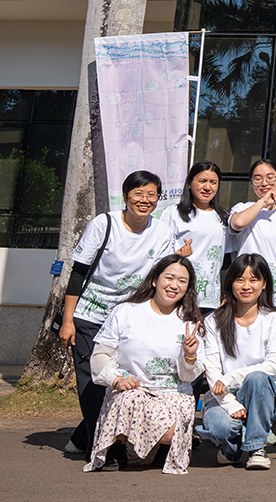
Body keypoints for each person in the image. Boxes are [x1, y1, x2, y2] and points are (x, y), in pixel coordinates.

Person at [61, 170, 181, 454]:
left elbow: (161, 276)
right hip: (91, 315)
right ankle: (102, 447)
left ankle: (82, 438)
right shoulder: (104, 224)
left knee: (124, 378)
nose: (144, 200)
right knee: (94, 380)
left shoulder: (162, 231)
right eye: (138, 194)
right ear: (126, 196)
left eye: (151, 194)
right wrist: (68, 320)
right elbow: (78, 273)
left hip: (128, 318)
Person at [83, 254, 204, 474]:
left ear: (188, 288)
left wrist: (189, 356)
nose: (174, 285)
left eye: (182, 281)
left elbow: (189, 376)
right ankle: (120, 446)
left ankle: (153, 448)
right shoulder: (125, 311)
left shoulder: (190, 322)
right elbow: (100, 354)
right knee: (132, 399)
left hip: (172, 395)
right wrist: (116, 380)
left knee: (170, 433)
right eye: (169, 278)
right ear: (155, 280)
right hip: (130, 391)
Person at [201, 253, 276, 470]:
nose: (246, 286)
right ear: (230, 283)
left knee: (258, 377)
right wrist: (230, 403)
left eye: (254, 279)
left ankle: (257, 448)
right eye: (240, 279)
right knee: (224, 428)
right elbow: (212, 369)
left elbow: (271, 367)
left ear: (264, 283)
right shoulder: (213, 321)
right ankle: (231, 450)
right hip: (222, 395)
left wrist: (230, 377)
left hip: (261, 394)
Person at [228, 159, 276, 310]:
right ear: (252, 183)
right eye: (258, 179)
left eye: (270, 178)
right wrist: (263, 203)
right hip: (248, 294)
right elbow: (237, 223)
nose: (264, 183)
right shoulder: (242, 208)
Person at [173, 160, 229, 310]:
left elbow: (226, 259)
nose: (207, 187)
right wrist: (177, 255)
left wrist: (226, 293)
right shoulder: (174, 214)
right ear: (189, 183)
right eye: (202, 181)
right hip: (178, 295)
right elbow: (160, 255)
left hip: (211, 299)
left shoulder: (223, 217)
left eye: (213, 182)